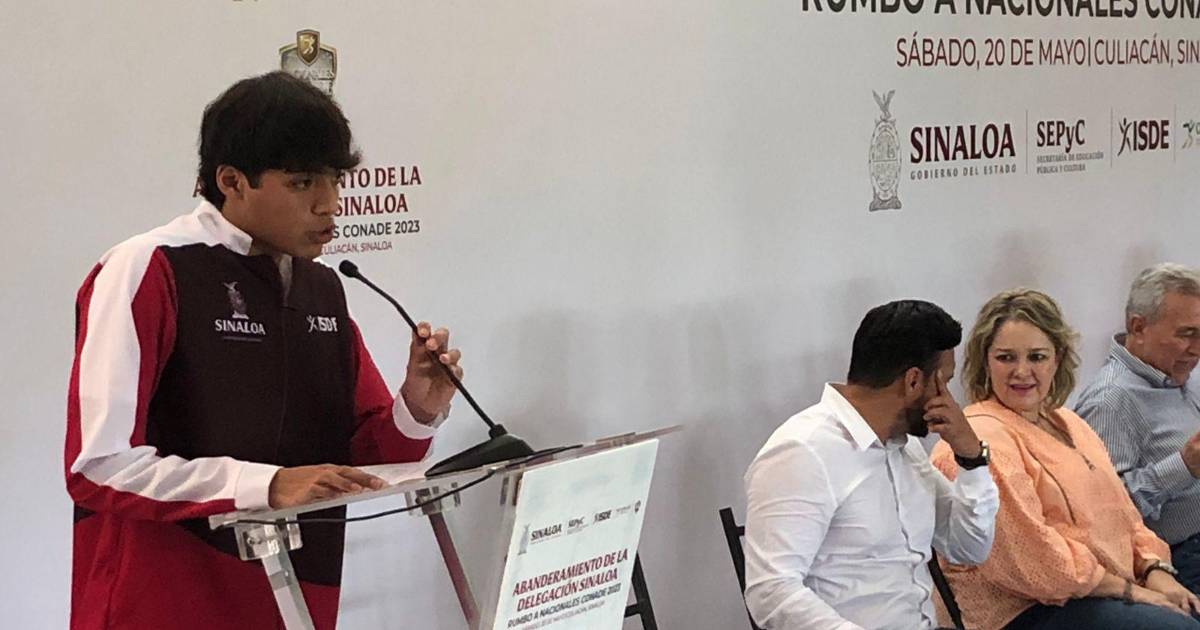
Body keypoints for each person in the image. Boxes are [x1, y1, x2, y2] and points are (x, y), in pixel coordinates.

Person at [65, 72, 462, 630]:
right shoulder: (148, 267)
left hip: (296, 598)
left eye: (335, 179)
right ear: (231, 181)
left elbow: (361, 459)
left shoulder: (322, 286)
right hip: (163, 602)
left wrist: (417, 408)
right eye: (302, 183)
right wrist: (265, 485)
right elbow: (100, 465)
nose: (330, 204)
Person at [931, 288, 1200, 630]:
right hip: (1024, 610)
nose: (1022, 371)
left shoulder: (1069, 422)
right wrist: (1132, 591)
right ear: (985, 362)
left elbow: (1125, 516)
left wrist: (1156, 570)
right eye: (1006, 358)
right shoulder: (979, 436)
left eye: (1037, 357)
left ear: (1057, 359)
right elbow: (1035, 562)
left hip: (1098, 591)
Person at [743, 300, 998, 630]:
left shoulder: (906, 449)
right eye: (944, 383)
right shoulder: (803, 451)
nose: (948, 399)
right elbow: (771, 592)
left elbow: (970, 548)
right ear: (913, 381)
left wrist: (971, 457)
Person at [1076, 263, 1200, 595]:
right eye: (1187, 334)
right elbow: (1104, 517)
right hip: (1175, 561)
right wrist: (1184, 466)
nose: (1197, 349)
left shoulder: (1178, 375)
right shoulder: (1111, 400)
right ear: (1138, 327)